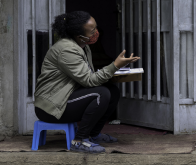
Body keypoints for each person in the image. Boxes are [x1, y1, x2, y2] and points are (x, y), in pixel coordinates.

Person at [34, 11, 140, 153]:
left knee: (112, 91)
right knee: (101, 94)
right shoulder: (67, 49)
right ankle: (79, 141)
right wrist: (115, 65)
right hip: (50, 107)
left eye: (96, 27)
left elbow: (87, 77)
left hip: (65, 97)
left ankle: (93, 135)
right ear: (79, 36)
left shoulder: (83, 46)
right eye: (92, 31)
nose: (97, 32)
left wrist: (116, 72)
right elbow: (90, 81)